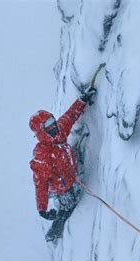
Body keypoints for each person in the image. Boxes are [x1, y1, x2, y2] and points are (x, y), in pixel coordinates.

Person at [29, 87, 97, 231]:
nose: (53, 125)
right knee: (68, 209)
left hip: (72, 175)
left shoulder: (58, 133)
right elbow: (40, 184)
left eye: (52, 120)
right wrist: (42, 209)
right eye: (48, 125)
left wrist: (82, 100)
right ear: (41, 131)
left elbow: (70, 116)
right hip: (62, 189)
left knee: (76, 196)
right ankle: (55, 232)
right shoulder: (43, 156)